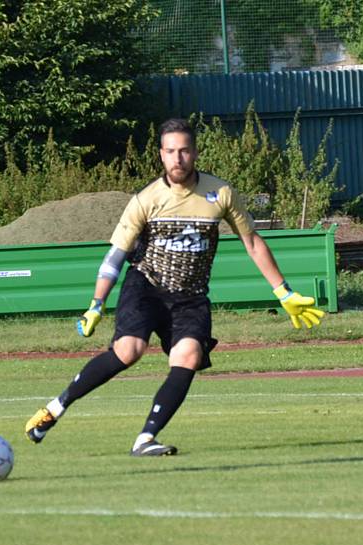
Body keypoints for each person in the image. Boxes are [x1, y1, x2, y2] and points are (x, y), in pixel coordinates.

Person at [25, 118, 325, 456]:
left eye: (184, 151)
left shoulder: (220, 193)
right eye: (170, 152)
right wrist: (96, 303)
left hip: (190, 296)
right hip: (146, 287)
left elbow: (252, 242)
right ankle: (56, 407)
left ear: (195, 153)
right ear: (161, 155)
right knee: (129, 351)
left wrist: (282, 292)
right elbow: (115, 257)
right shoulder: (146, 199)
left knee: (189, 356)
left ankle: (145, 440)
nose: (177, 158)